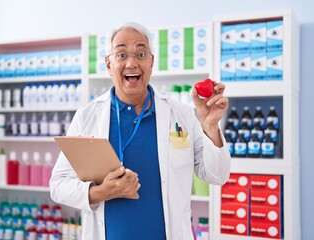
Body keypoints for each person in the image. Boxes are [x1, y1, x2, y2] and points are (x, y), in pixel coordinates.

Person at [50, 21, 231, 240]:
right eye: (122, 54)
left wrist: (210, 126)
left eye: (141, 54)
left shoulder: (181, 114)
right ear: (108, 65)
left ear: (152, 62)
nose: (132, 63)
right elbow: (58, 185)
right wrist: (100, 192)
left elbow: (217, 175)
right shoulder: (87, 117)